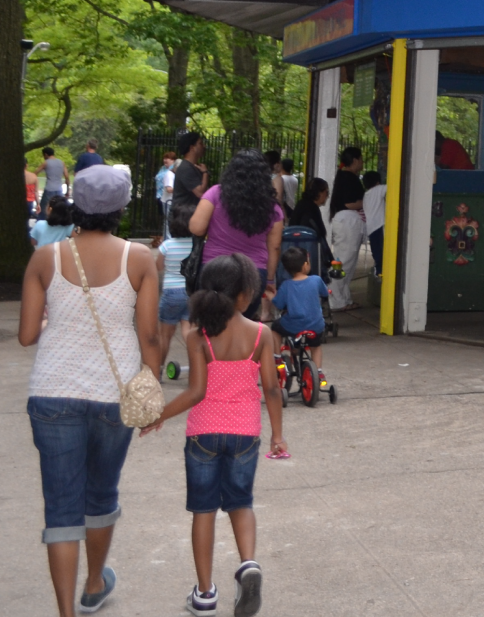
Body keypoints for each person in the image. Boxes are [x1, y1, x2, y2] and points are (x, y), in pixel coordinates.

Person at [18, 164, 160, 617]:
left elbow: (26, 335)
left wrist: (53, 319)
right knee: (101, 494)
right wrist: (151, 393)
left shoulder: (46, 257)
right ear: (122, 207)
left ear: (77, 202)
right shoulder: (139, 259)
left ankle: (64, 613)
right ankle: (94, 582)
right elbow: (150, 337)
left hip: (52, 392)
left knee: (61, 508)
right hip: (113, 394)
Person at [143, 253, 284, 617]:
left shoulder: (197, 334)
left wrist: (158, 416)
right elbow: (271, 389)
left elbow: (195, 392)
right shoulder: (261, 334)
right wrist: (277, 436)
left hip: (203, 435)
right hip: (245, 434)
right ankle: (248, 564)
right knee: (241, 503)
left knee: (203, 511)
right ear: (246, 294)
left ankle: (205, 594)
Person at [188, 150, 287, 315]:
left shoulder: (215, 193)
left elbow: (196, 227)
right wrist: (270, 279)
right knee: (244, 324)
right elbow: (275, 247)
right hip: (254, 272)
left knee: (213, 323)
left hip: (215, 268)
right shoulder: (273, 207)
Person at [271, 244, 330, 393]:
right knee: (316, 347)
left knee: (275, 328)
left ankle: (277, 356)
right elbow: (325, 293)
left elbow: (278, 304)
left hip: (293, 326)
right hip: (315, 326)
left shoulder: (286, 285)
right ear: (305, 265)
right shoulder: (316, 280)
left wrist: (272, 295)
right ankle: (319, 372)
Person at [157, 199, 196, 377]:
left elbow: (158, 267)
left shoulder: (167, 246)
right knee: (188, 330)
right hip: (191, 292)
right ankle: (197, 366)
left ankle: (158, 369)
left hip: (171, 292)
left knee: (165, 334)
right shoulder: (196, 246)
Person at [325, 169, 366, 311]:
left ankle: (343, 299)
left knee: (348, 262)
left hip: (348, 221)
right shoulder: (348, 179)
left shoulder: (344, 177)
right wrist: (364, 202)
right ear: (354, 160)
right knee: (344, 261)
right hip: (348, 222)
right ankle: (336, 299)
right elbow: (349, 203)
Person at [172, 131, 208, 205]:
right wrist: (205, 173)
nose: (204, 146)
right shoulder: (186, 168)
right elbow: (200, 193)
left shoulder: (192, 167)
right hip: (182, 215)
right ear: (192, 148)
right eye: (200, 143)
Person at [154, 152, 179, 232]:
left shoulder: (173, 170)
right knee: (165, 218)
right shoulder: (163, 168)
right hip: (160, 195)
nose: (165, 160)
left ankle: (167, 237)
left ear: (173, 160)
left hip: (167, 198)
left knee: (168, 219)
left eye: (167, 158)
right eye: (164, 158)